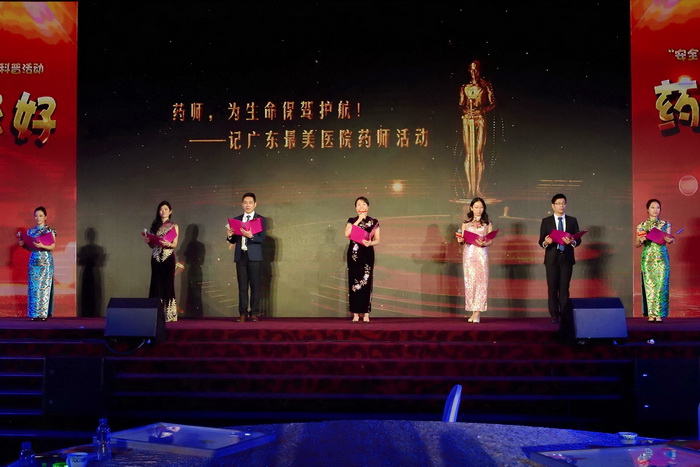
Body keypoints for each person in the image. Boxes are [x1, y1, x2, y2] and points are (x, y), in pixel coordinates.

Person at [538, 194, 581, 325]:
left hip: (567, 258)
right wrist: (546, 242)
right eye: (558, 203)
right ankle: (554, 315)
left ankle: (564, 314)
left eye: (563, 203)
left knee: (564, 288)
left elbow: (578, 239)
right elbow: (541, 241)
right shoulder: (546, 221)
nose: (561, 206)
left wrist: (572, 241)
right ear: (553, 206)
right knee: (552, 288)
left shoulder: (572, 220)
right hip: (552, 259)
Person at [459, 60, 496, 199]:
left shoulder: (486, 86)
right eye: (472, 69)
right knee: (469, 154)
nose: (474, 72)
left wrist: (482, 110)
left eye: (476, 69)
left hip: (480, 118)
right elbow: (460, 104)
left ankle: (478, 187)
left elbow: (492, 103)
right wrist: (466, 109)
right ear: (469, 71)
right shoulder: (465, 87)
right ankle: (470, 188)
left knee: (479, 153)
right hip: (467, 119)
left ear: (480, 71)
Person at [227, 192, 266, 321]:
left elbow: (262, 239)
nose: (247, 205)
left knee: (255, 286)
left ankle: (254, 313)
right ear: (242, 204)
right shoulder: (237, 220)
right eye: (245, 202)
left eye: (250, 202)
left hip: (254, 257)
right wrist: (229, 236)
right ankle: (242, 313)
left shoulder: (260, 219)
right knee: (242, 287)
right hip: (241, 257)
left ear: (255, 204)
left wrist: (251, 236)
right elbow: (233, 241)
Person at [456, 197, 493, 323]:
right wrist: (460, 240)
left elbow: (490, 240)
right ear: (471, 208)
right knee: (470, 282)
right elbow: (463, 240)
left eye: (481, 207)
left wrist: (484, 243)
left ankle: (478, 313)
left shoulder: (487, 223)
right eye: (476, 207)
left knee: (481, 282)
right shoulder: (466, 223)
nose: (479, 210)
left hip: (481, 254)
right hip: (469, 255)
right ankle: (473, 311)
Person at [636, 199, 673, 323]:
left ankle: (659, 313)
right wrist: (641, 240)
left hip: (662, 258)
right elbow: (636, 244)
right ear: (647, 209)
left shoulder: (665, 224)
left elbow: (669, 238)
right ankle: (651, 314)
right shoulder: (642, 225)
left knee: (661, 286)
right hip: (648, 259)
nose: (655, 210)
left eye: (658, 207)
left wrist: (670, 240)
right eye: (652, 207)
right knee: (650, 286)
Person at [345, 196, 381, 323]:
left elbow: (377, 240)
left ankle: (366, 313)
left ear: (368, 207)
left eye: (364, 204)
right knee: (354, 281)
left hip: (367, 254)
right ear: (356, 208)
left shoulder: (374, 221)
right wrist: (359, 220)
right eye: (359, 204)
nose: (361, 206)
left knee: (366, 281)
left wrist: (370, 243)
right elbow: (347, 233)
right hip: (354, 254)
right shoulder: (352, 220)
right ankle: (355, 313)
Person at [17, 206, 56, 321]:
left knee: (44, 287)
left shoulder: (50, 231)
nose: (38, 218)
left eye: (40, 216)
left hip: (46, 261)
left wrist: (42, 245)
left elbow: (52, 247)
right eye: (36, 216)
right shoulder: (30, 232)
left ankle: (42, 314)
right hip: (34, 259)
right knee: (34, 287)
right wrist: (23, 245)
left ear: (45, 217)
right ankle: (34, 314)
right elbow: (30, 248)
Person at [143, 201, 179, 322]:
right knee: (156, 284)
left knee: (168, 284)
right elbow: (152, 246)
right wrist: (149, 241)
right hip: (156, 258)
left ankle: (168, 314)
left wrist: (167, 243)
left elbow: (174, 244)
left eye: (165, 209)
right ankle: (155, 313)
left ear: (170, 211)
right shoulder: (154, 226)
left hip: (168, 257)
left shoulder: (174, 226)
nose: (163, 211)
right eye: (161, 209)